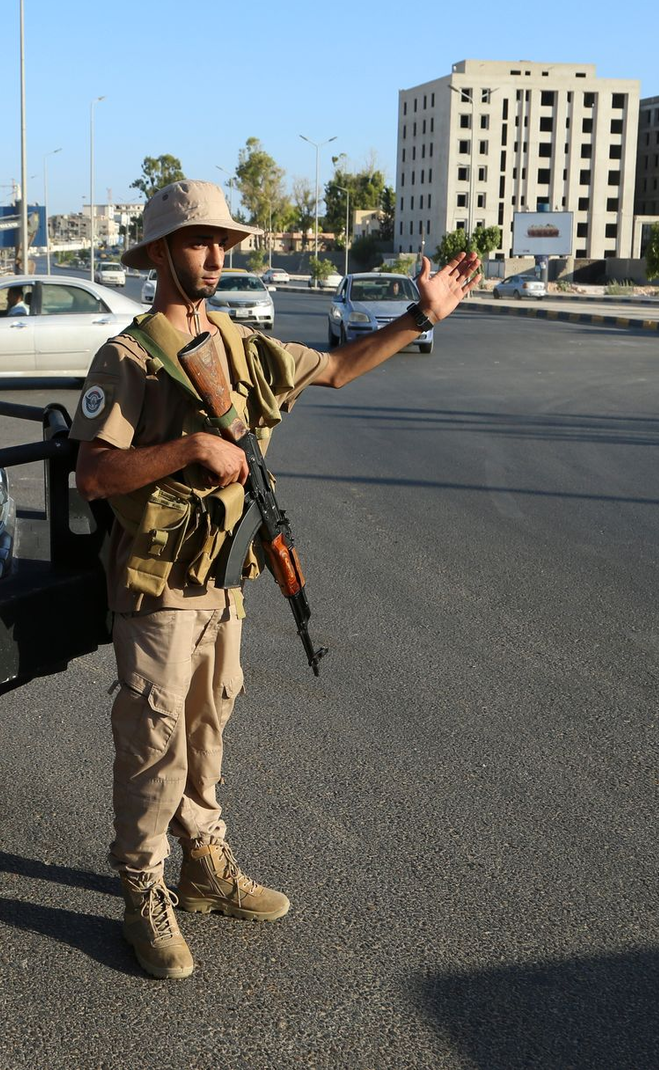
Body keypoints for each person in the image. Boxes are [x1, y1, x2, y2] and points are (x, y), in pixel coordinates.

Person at [72, 180, 479, 980]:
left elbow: (335, 369)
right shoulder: (124, 357)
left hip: (224, 579)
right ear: (159, 252)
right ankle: (141, 890)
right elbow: (93, 474)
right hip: (157, 587)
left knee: (207, 727)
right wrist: (189, 451)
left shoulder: (240, 343)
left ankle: (204, 864)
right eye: (198, 241)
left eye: (224, 241)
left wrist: (419, 317)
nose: (217, 255)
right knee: (154, 741)